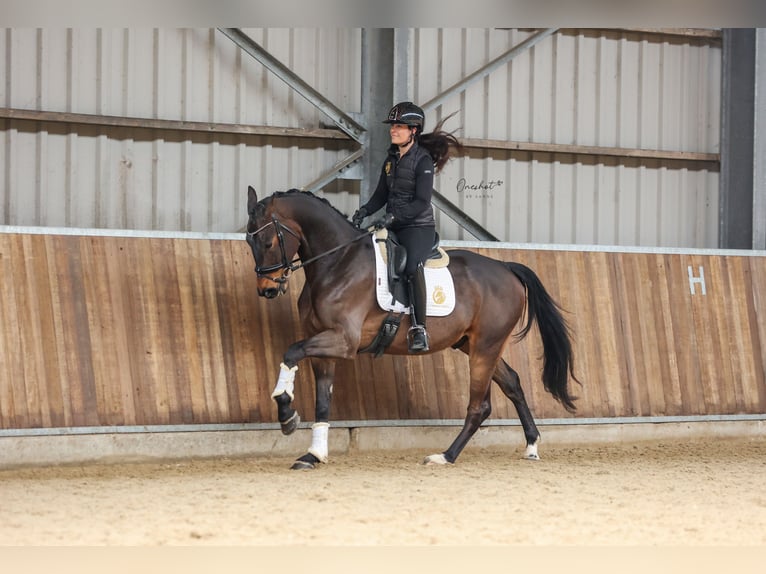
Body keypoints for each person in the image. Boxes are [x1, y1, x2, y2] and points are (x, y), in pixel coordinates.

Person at [352, 101, 462, 353]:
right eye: (393, 126)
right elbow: (381, 193)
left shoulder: (422, 160)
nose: (393, 130)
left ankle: (419, 328)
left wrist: (392, 218)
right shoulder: (391, 159)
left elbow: (422, 201)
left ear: (413, 130)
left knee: (412, 267)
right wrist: (365, 211)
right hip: (394, 224)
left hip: (417, 227)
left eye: (399, 126)